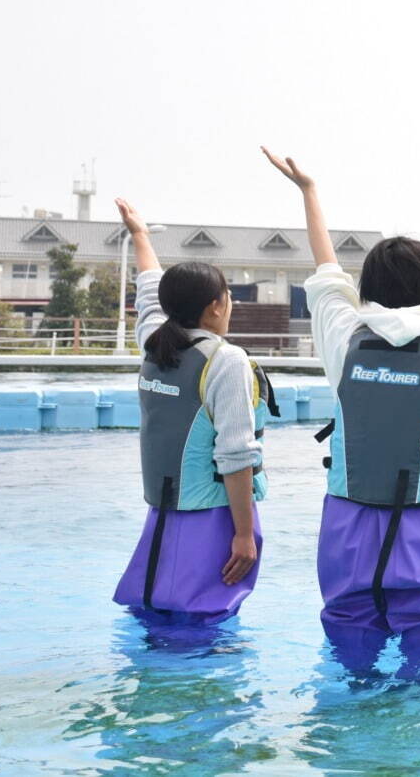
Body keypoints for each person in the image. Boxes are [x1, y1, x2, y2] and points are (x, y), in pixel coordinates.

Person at [263, 147, 420, 674]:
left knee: (351, 638)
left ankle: (351, 737)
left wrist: (309, 192)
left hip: (350, 519)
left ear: (368, 289)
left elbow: (326, 270)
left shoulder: (345, 335)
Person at [111, 198, 274, 626]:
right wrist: (242, 533)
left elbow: (148, 289)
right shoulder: (226, 360)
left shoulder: (153, 340)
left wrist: (140, 236)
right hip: (213, 517)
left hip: (163, 515)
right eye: (228, 297)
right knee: (206, 628)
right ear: (215, 306)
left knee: (159, 619)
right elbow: (237, 454)